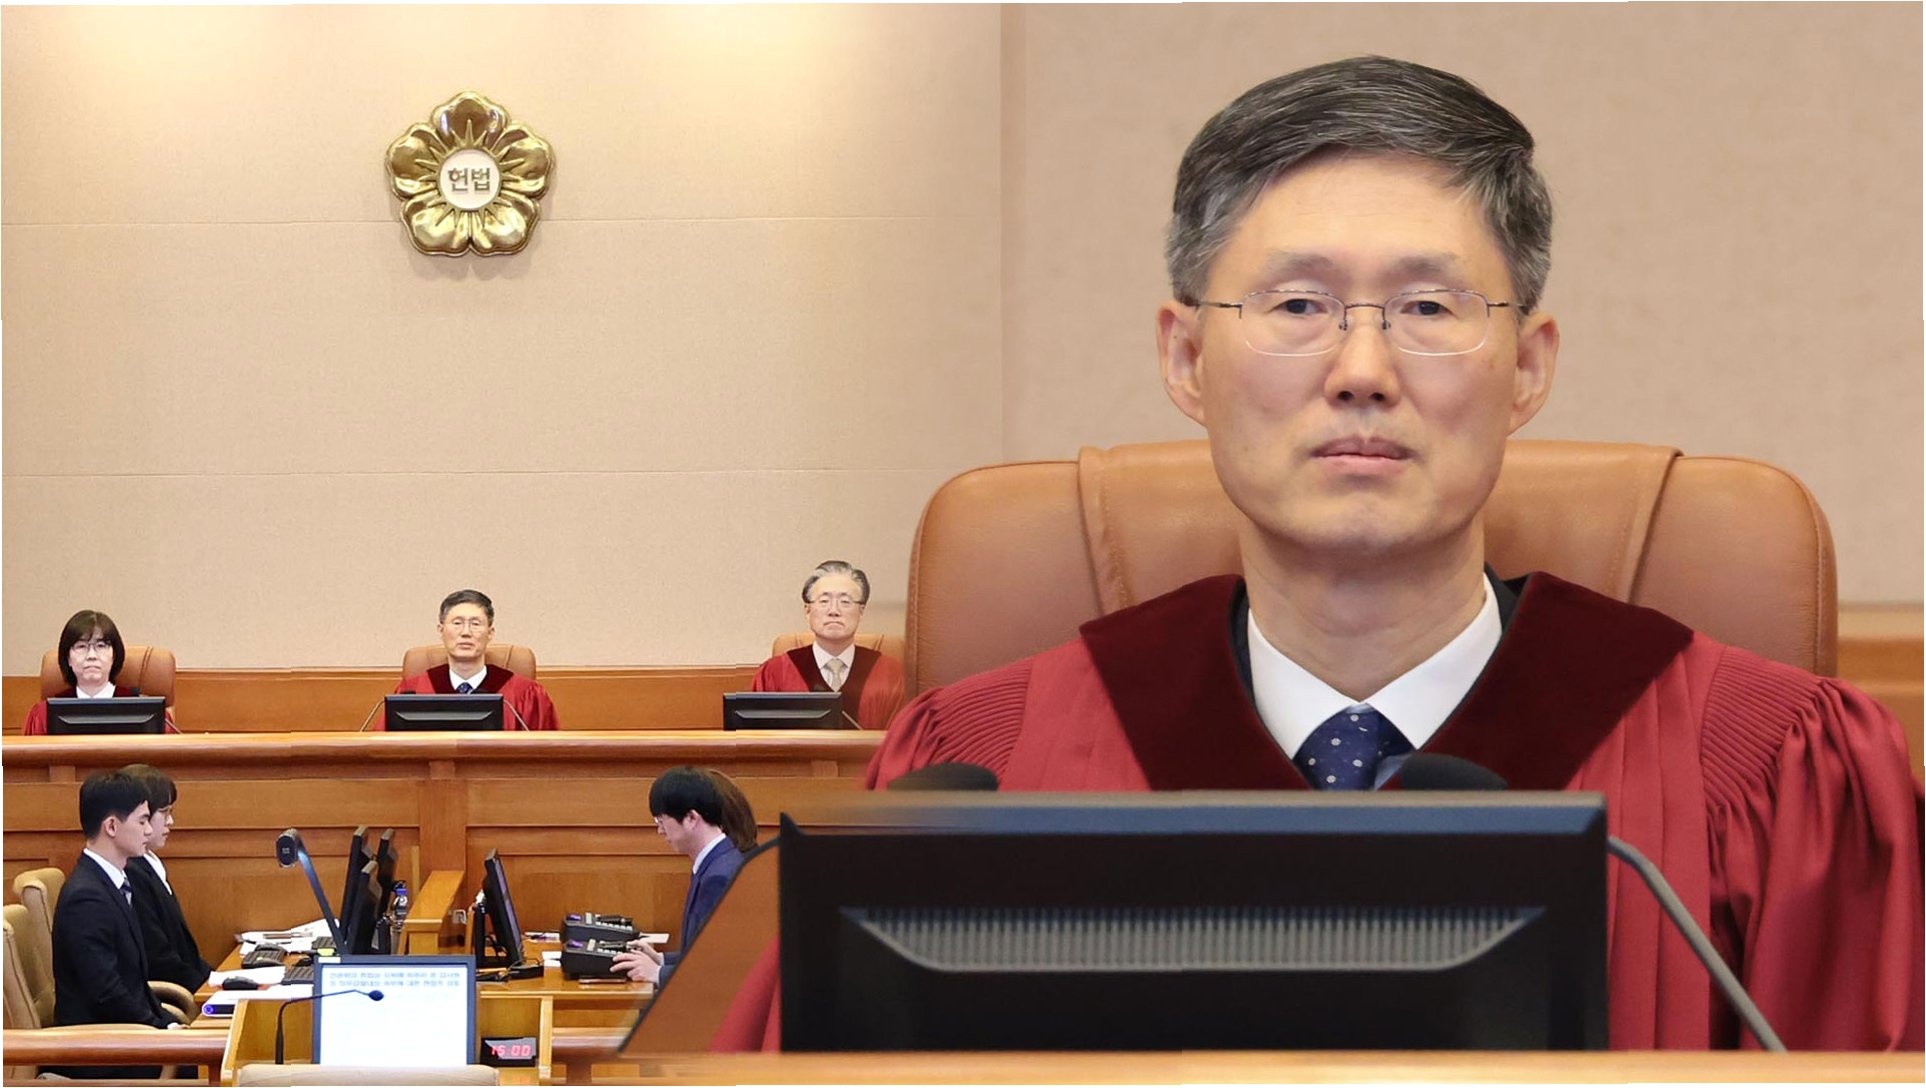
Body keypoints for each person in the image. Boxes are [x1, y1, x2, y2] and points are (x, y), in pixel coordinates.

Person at [724, 56, 1924, 1051]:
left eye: (1429, 308)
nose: (1362, 369)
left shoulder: (1776, 772)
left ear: (1528, 366)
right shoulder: (975, 770)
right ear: (1186, 359)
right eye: (1297, 306)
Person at [49, 771, 176, 1077]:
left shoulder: (112, 884)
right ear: (111, 827)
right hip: (101, 1051)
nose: (149, 830)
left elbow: (133, 985)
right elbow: (107, 993)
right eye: (142, 821)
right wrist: (163, 1031)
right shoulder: (86, 899)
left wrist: (168, 1024)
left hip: (128, 1034)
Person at [612, 766, 748, 987]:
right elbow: (703, 952)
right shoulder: (714, 863)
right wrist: (662, 959)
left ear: (691, 818)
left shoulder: (721, 876)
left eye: (661, 821)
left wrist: (658, 973)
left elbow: (723, 968)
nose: (660, 831)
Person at [749, 561, 906, 729]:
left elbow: (903, 739)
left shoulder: (890, 674)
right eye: (824, 601)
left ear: (861, 611)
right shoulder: (775, 672)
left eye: (845, 602)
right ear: (807, 611)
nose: (834, 611)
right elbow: (757, 738)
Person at [378, 589, 559, 730]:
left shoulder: (525, 694)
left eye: (475, 624)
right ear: (441, 630)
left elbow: (548, 754)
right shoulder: (412, 692)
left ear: (490, 633)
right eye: (457, 623)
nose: (466, 632)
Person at [118, 764, 213, 992]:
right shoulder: (131, 873)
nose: (170, 822)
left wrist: (219, 981)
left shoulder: (149, 865)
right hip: (169, 997)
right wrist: (208, 990)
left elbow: (184, 955)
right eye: (165, 812)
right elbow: (159, 960)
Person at [22, 610, 176, 735]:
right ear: (67, 658)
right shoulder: (43, 715)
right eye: (81, 646)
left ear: (114, 656)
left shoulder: (148, 711)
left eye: (101, 646)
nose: (91, 655)